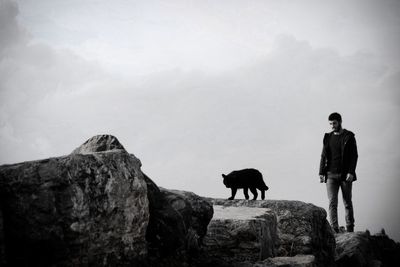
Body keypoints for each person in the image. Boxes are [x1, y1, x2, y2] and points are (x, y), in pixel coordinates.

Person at [319, 112, 358, 233]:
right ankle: (334, 229)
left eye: (334, 123)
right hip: (330, 174)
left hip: (345, 175)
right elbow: (323, 155)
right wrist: (321, 172)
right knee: (332, 203)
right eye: (330, 123)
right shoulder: (328, 137)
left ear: (340, 122)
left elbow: (354, 156)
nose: (332, 126)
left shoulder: (349, 136)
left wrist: (351, 172)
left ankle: (350, 229)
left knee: (347, 202)